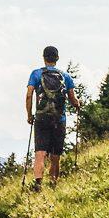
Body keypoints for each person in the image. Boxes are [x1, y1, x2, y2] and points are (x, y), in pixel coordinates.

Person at [25, 45, 81, 192]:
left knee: (40, 153)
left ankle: (38, 184)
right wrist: (77, 104)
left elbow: (29, 95)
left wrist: (29, 114)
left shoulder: (36, 74)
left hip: (42, 118)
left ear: (44, 58)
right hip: (59, 120)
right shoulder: (66, 77)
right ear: (57, 58)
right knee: (55, 155)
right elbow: (73, 99)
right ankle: (53, 184)